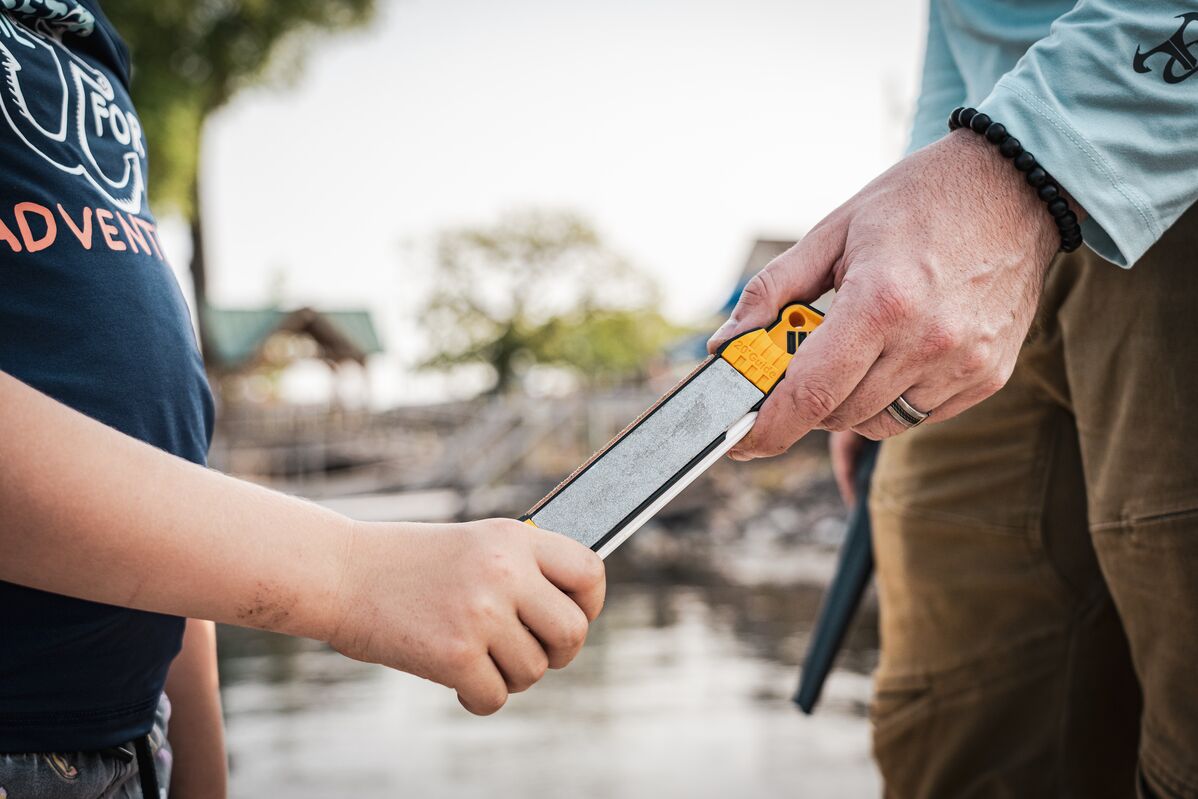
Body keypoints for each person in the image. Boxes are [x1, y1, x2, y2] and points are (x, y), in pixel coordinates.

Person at [0, 2, 604, 796]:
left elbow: (157, 462)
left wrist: (198, 754)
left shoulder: (81, 38)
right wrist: (357, 577)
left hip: (137, 736)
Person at [711, 2, 1198, 797]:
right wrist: (897, 303)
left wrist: (1027, 163)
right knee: (950, 732)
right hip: (987, 180)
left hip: (1158, 169)